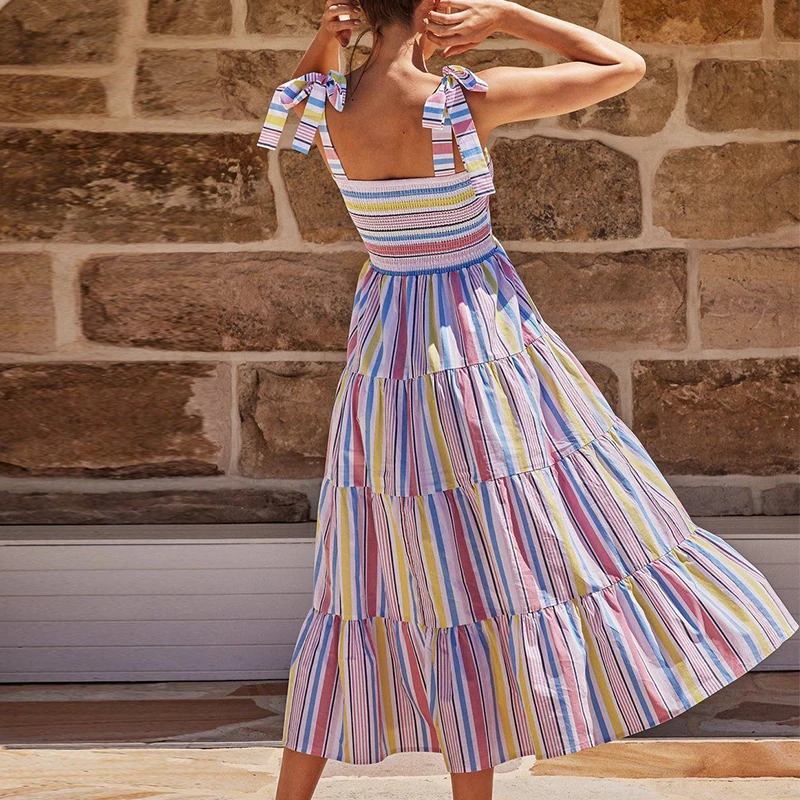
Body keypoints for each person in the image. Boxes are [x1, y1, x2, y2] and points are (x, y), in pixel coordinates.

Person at [257, 2, 800, 798]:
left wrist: (331, 40)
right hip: (477, 351)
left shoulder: (325, 99)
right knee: (485, 565)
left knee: (365, 576)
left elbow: (302, 93)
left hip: (385, 362)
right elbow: (623, 66)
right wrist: (512, 17)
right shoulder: (462, 100)